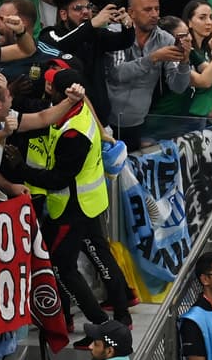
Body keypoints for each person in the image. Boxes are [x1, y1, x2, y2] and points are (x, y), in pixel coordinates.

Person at [18, 67, 135, 338]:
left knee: (61, 265)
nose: (48, 90)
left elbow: (59, 178)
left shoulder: (74, 132)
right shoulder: (79, 110)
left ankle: (103, 326)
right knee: (99, 256)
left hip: (71, 208)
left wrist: (20, 170)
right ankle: (120, 313)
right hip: (88, 201)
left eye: (52, 87)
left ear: (60, 93)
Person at [106, 0, 194, 149]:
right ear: (131, 12)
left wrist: (184, 61)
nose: (154, 14)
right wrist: (153, 58)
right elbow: (117, 73)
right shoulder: (115, 33)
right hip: (106, 120)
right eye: (148, 10)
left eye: (157, 9)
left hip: (137, 123)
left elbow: (178, 87)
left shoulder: (166, 39)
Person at [41, 0, 135, 124]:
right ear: (63, 14)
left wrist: (127, 25)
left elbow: (123, 42)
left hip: (100, 116)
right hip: (68, 118)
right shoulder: (51, 34)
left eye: (88, 7)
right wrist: (91, 25)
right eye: (78, 8)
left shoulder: (95, 34)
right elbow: (61, 45)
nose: (85, 12)